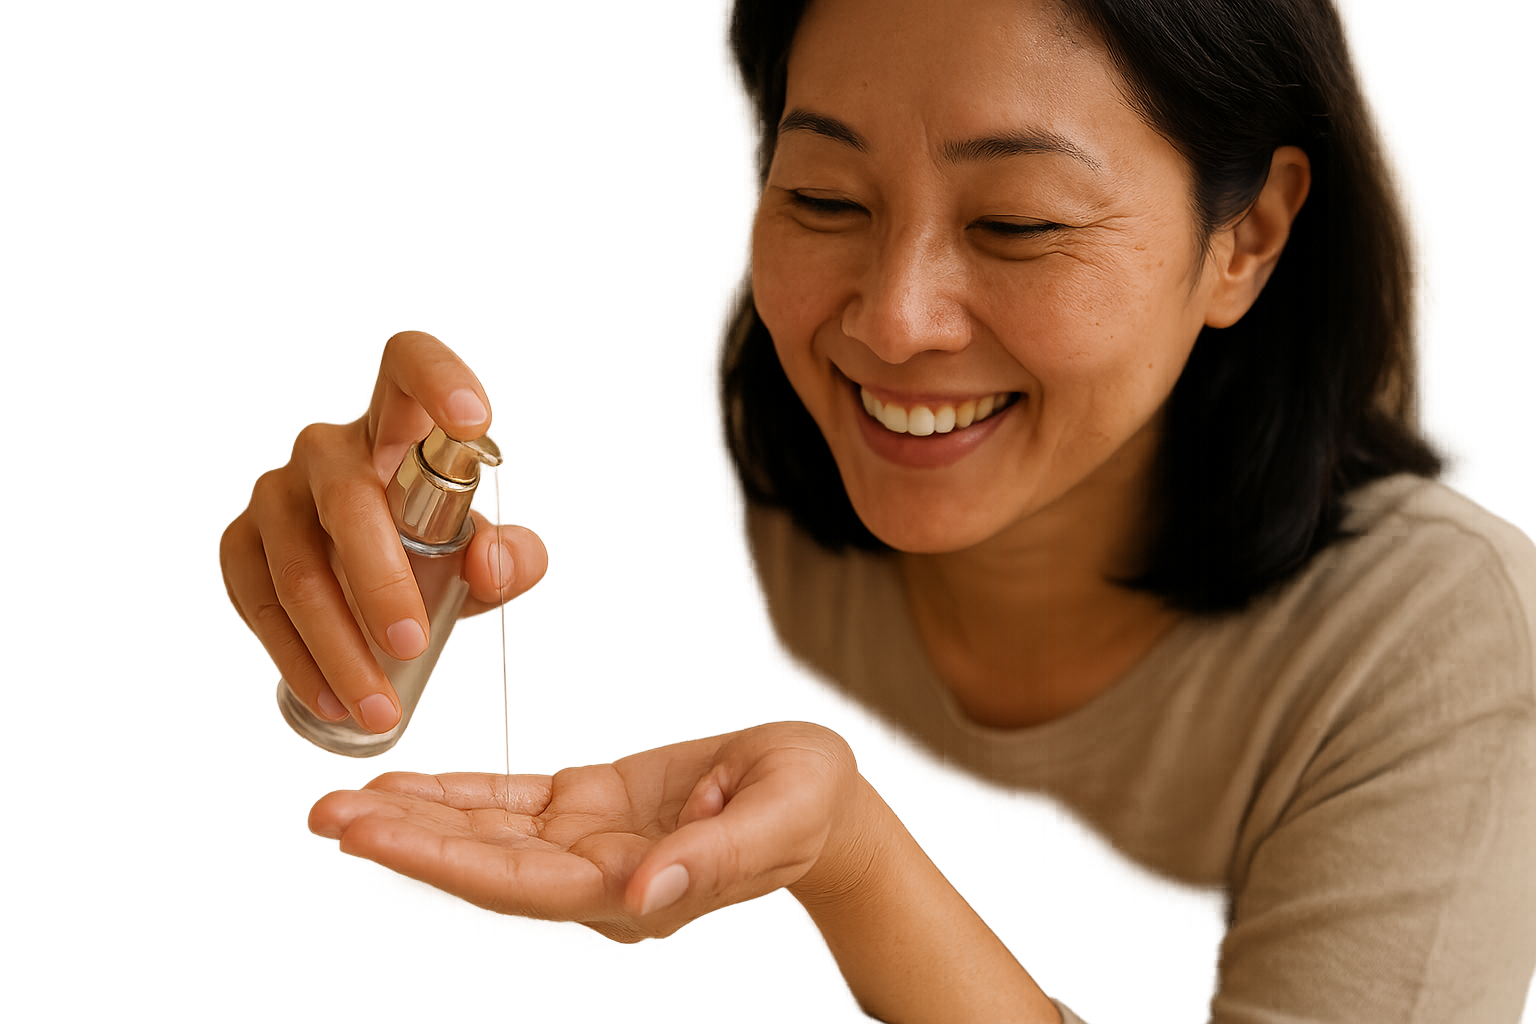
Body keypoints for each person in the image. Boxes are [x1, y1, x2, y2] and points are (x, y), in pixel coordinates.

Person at [219, 0, 1536, 1020]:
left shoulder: (1436, 655)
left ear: (1244, 238)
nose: (895, 321)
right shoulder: (706, 467)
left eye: (1018, 224)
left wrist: (860, 876)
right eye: (824, 199)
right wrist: (383, 564)